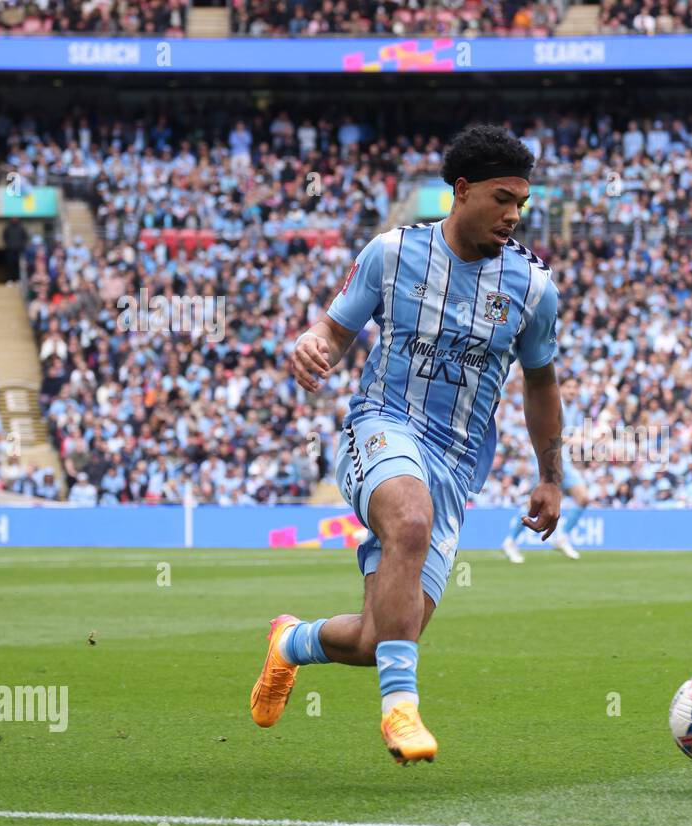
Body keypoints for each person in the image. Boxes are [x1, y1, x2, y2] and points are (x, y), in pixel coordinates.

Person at [250, 124, 563, 765]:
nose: (514, 214)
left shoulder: (533, 288)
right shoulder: (390, 254)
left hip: (455, 464)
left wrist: (551, 474)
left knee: (379, 637)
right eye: (503, 198)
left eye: (522, 204)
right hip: (382, 425)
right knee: (409, 521)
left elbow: (541, 382)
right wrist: (313, 345)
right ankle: (401, 709)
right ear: (462, 189)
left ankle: (290, 641)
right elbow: (334, 332)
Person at [503, 376, 590, 562]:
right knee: (535, 503)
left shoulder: (574, 409)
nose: (572, 391)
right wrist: (573, 439)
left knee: (583, 498)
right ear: (561, 389)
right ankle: (510, 541)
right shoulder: (556, 406)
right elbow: (550, 436)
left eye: (575, 388)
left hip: (563, 462)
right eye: (569, 387)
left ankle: (562, 537)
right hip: (547, 461)